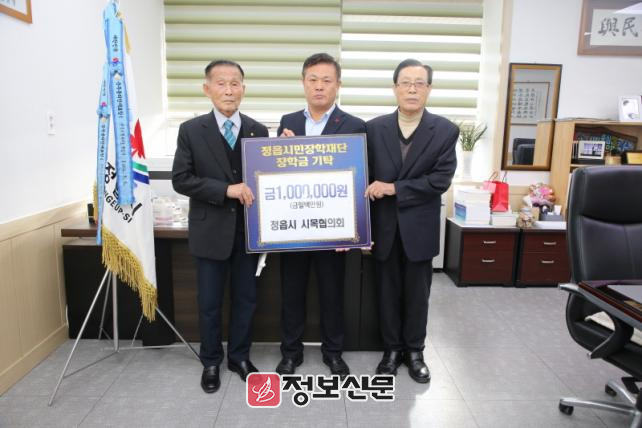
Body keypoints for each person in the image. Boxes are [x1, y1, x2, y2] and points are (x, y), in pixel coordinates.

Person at [172, 59, 269, 393]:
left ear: (243, 88)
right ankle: (211, 361)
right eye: (221, 83)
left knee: (246, 300)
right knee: (210, 303)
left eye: (235, 83)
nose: (229, 90)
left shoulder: (258, 130)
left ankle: (239, 357)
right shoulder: (191, 130)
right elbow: (181, 179)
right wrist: (226, 190)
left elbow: (266, 175)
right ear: (207, 89)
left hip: (247, 233)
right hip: (209, 231)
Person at [364, 59, 458, 383]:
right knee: (386, 293)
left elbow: (440, 180)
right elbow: (359, 173)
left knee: (418, 295)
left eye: (419, 83)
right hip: (384, 227)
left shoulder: (445, 130)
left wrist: (394, 188)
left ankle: (415, 352)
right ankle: (391, 351)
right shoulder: (374, 129)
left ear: (429, 89)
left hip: (420, 229)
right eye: (406, 82)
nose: (412, 89)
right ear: (395, 88)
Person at [275, 53, 366, 379]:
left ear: (337, 85)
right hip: (295, 227)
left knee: (332, 294)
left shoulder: (354, 125)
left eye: (326, 80)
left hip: (333, 231)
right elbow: (277, 174)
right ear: (303, 83)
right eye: (312, 79)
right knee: (292, 293)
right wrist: (279, 150)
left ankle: (333, 353)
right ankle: (291, 353)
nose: (319, 86)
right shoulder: (288, 122)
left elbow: (359, 178)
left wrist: (354, 229)